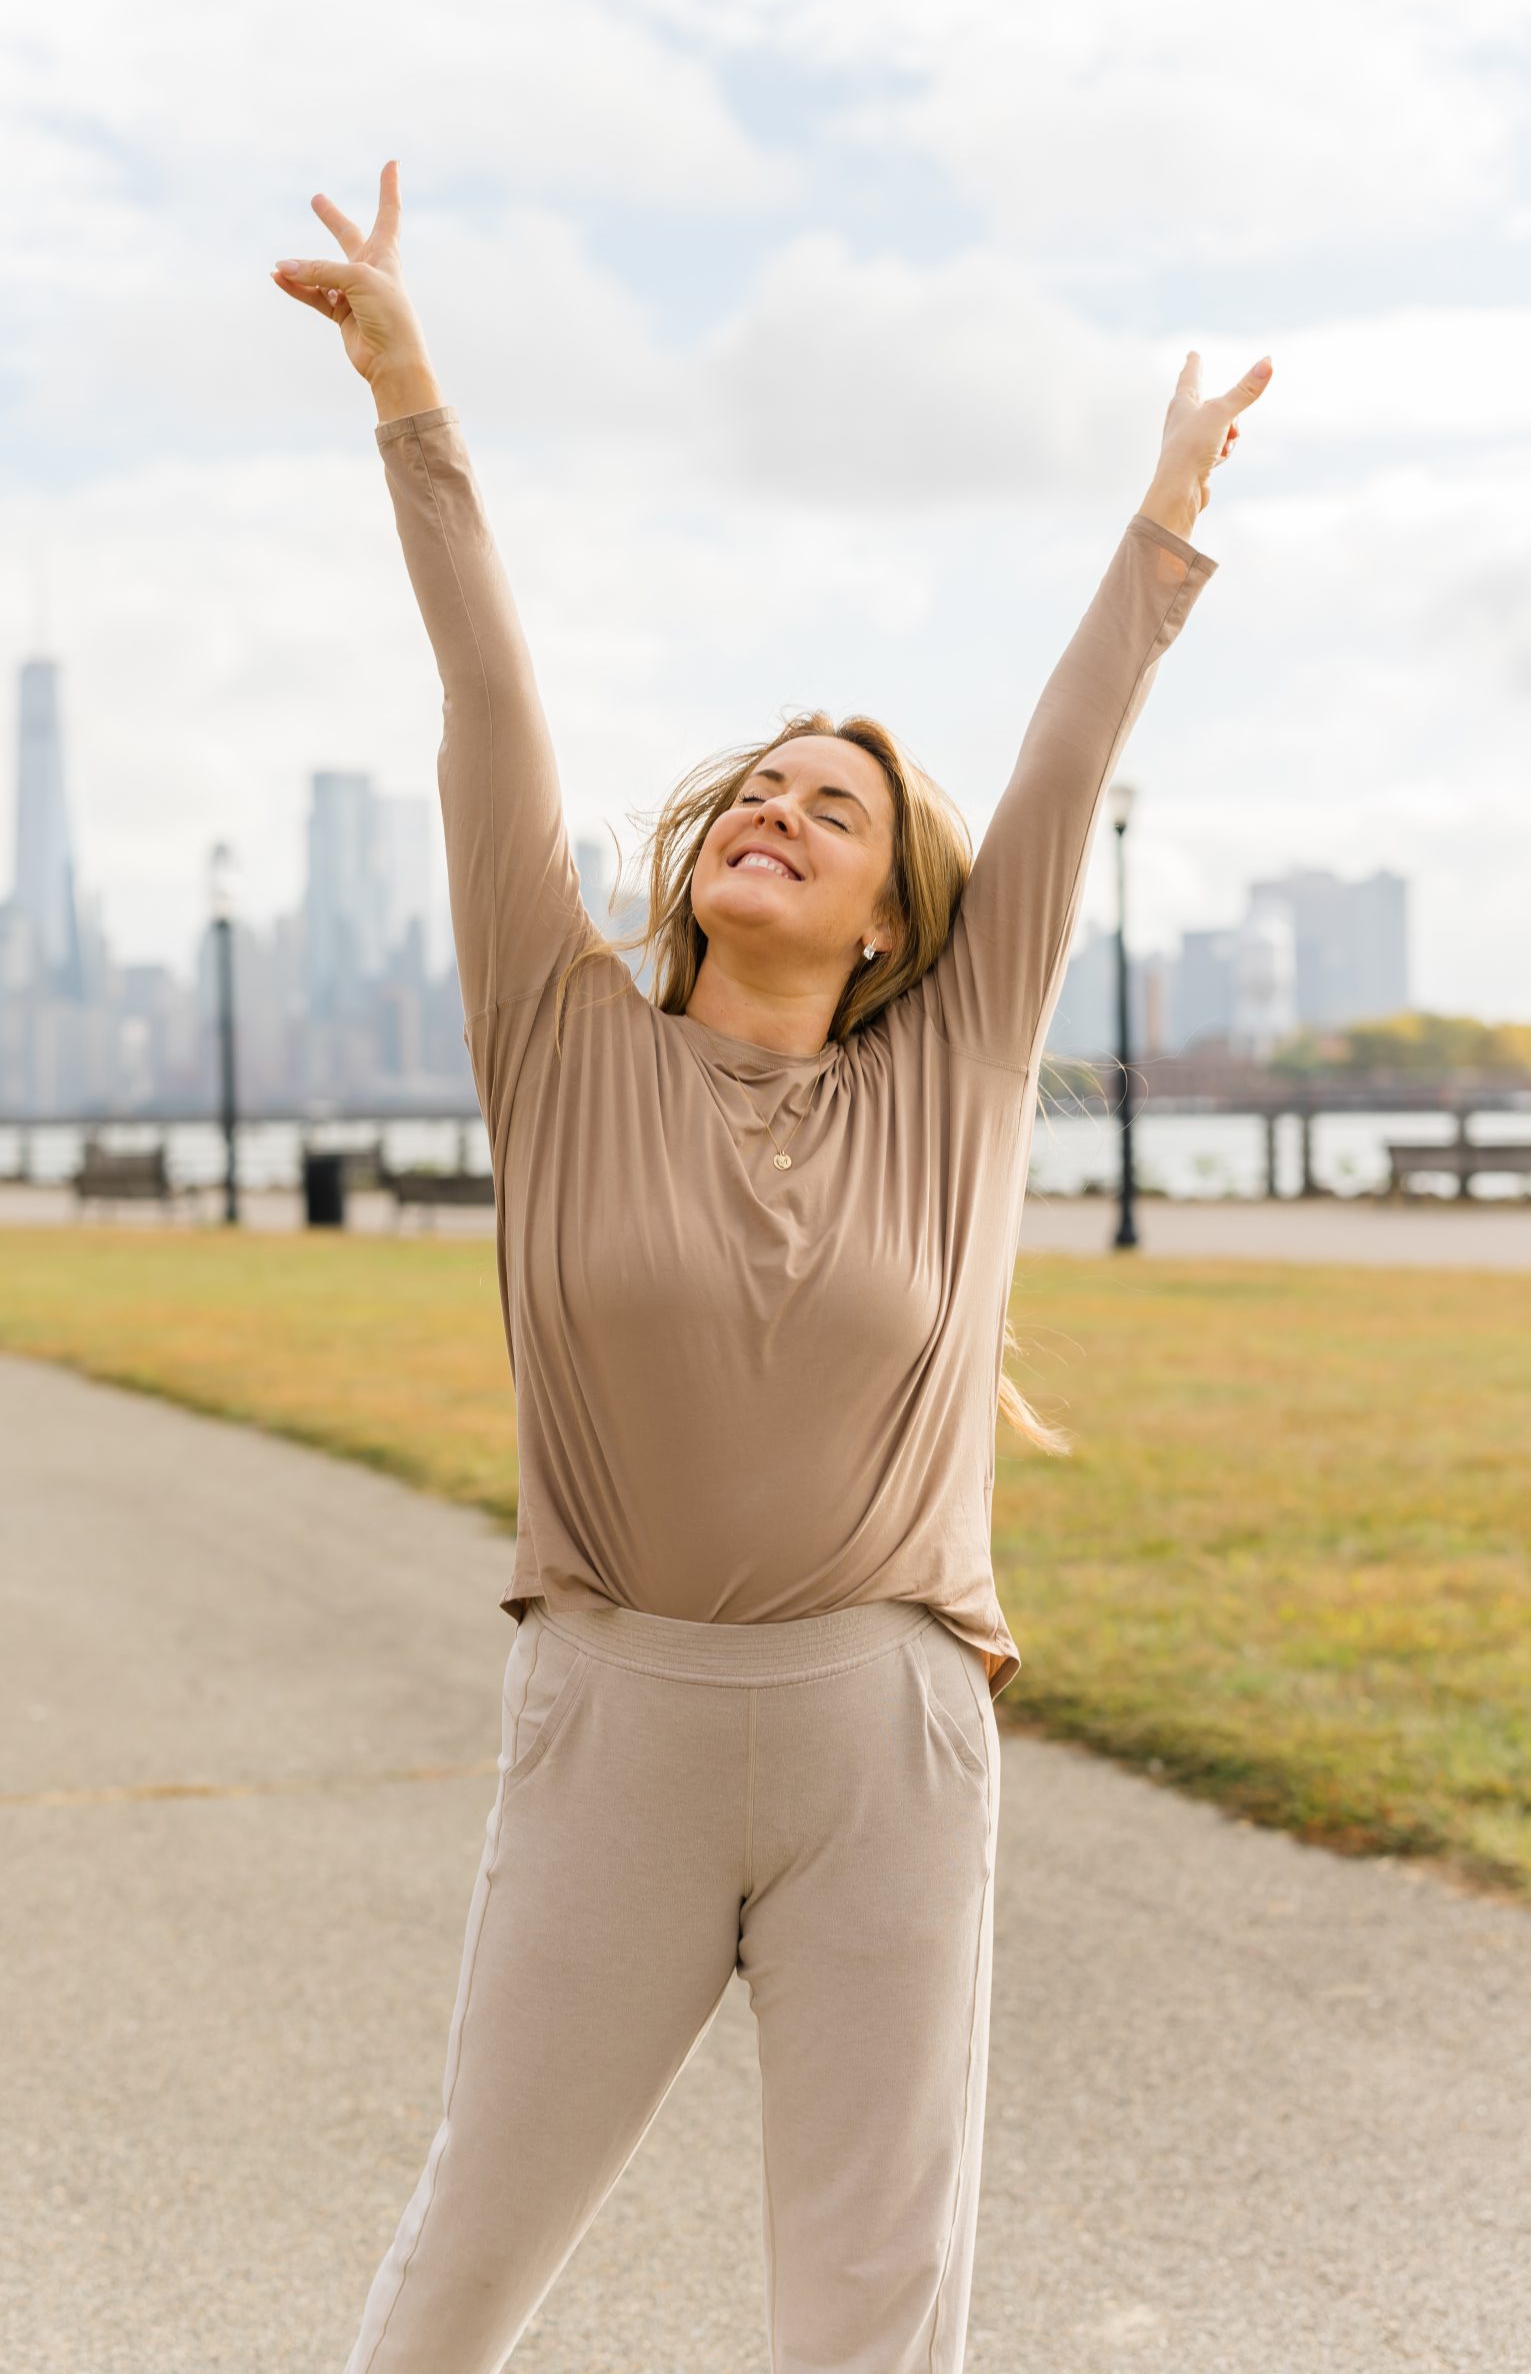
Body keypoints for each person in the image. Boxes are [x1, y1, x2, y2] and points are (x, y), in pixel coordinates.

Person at [272, 162, 1270, 2374]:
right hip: (611, 1717)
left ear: (897, 917)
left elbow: (1069, 750)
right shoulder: (559, 1031)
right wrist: (409, 394)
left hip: (881, 1733)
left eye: (833, 804)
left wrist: (1159, 528)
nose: (779, 808)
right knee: (458, 2269)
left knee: (867, 2303)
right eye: (756, 785)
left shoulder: (958, 1072)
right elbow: (483, 696)